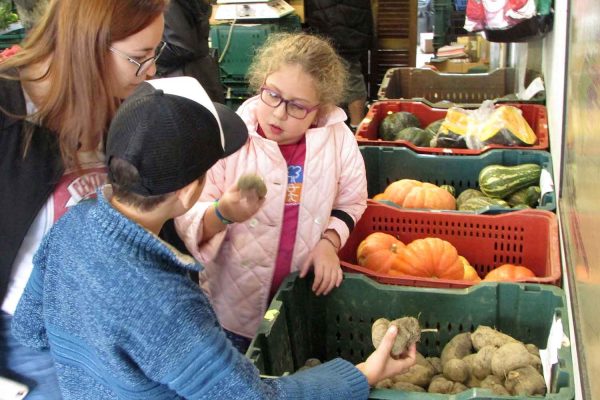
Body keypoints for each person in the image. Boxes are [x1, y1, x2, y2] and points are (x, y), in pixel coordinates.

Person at [11, 77, 417, 399]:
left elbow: (30, 328)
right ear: (190, 193)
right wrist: (363, 374)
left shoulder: (73, 224)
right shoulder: (168, 303)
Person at [0, 0, 168, 398]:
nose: (152, 71)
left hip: (101, 328)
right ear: (88, 45)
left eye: (155, 55)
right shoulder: (9, 109)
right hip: (28, 337)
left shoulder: (116, 106)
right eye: (139, 58)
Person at [175, 32, 368, 352]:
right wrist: (222, 212)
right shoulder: (230, 139)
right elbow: (187, 215)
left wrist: (329, 243)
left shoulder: (338, 141)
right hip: (232, 311)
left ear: (319, 108)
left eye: (297, 107)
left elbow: (351, 200)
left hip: (301, 305)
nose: (278, 114)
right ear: (260, 82)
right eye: (272, 95)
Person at [304, 0, 374, 131]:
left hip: (329, 21)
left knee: (334, 75)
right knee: (351, 73)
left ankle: (347, 127)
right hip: (352, 21)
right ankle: (356, 126)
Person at [156, 0, 225, 103]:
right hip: (197, 73)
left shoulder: (169, 4)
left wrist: (146, 52)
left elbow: (179, 48)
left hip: (181, 79)